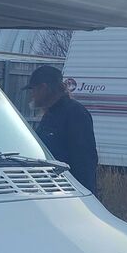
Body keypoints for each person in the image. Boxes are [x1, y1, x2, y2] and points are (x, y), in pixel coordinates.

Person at [28, 65, 98, 193]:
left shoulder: (75, 113)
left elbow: (85, 162)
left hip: (68, 191)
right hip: (49, 189)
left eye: (33, 89)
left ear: (44, 88)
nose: (32, 94)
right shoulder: (50, 114)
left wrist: (83, 195)